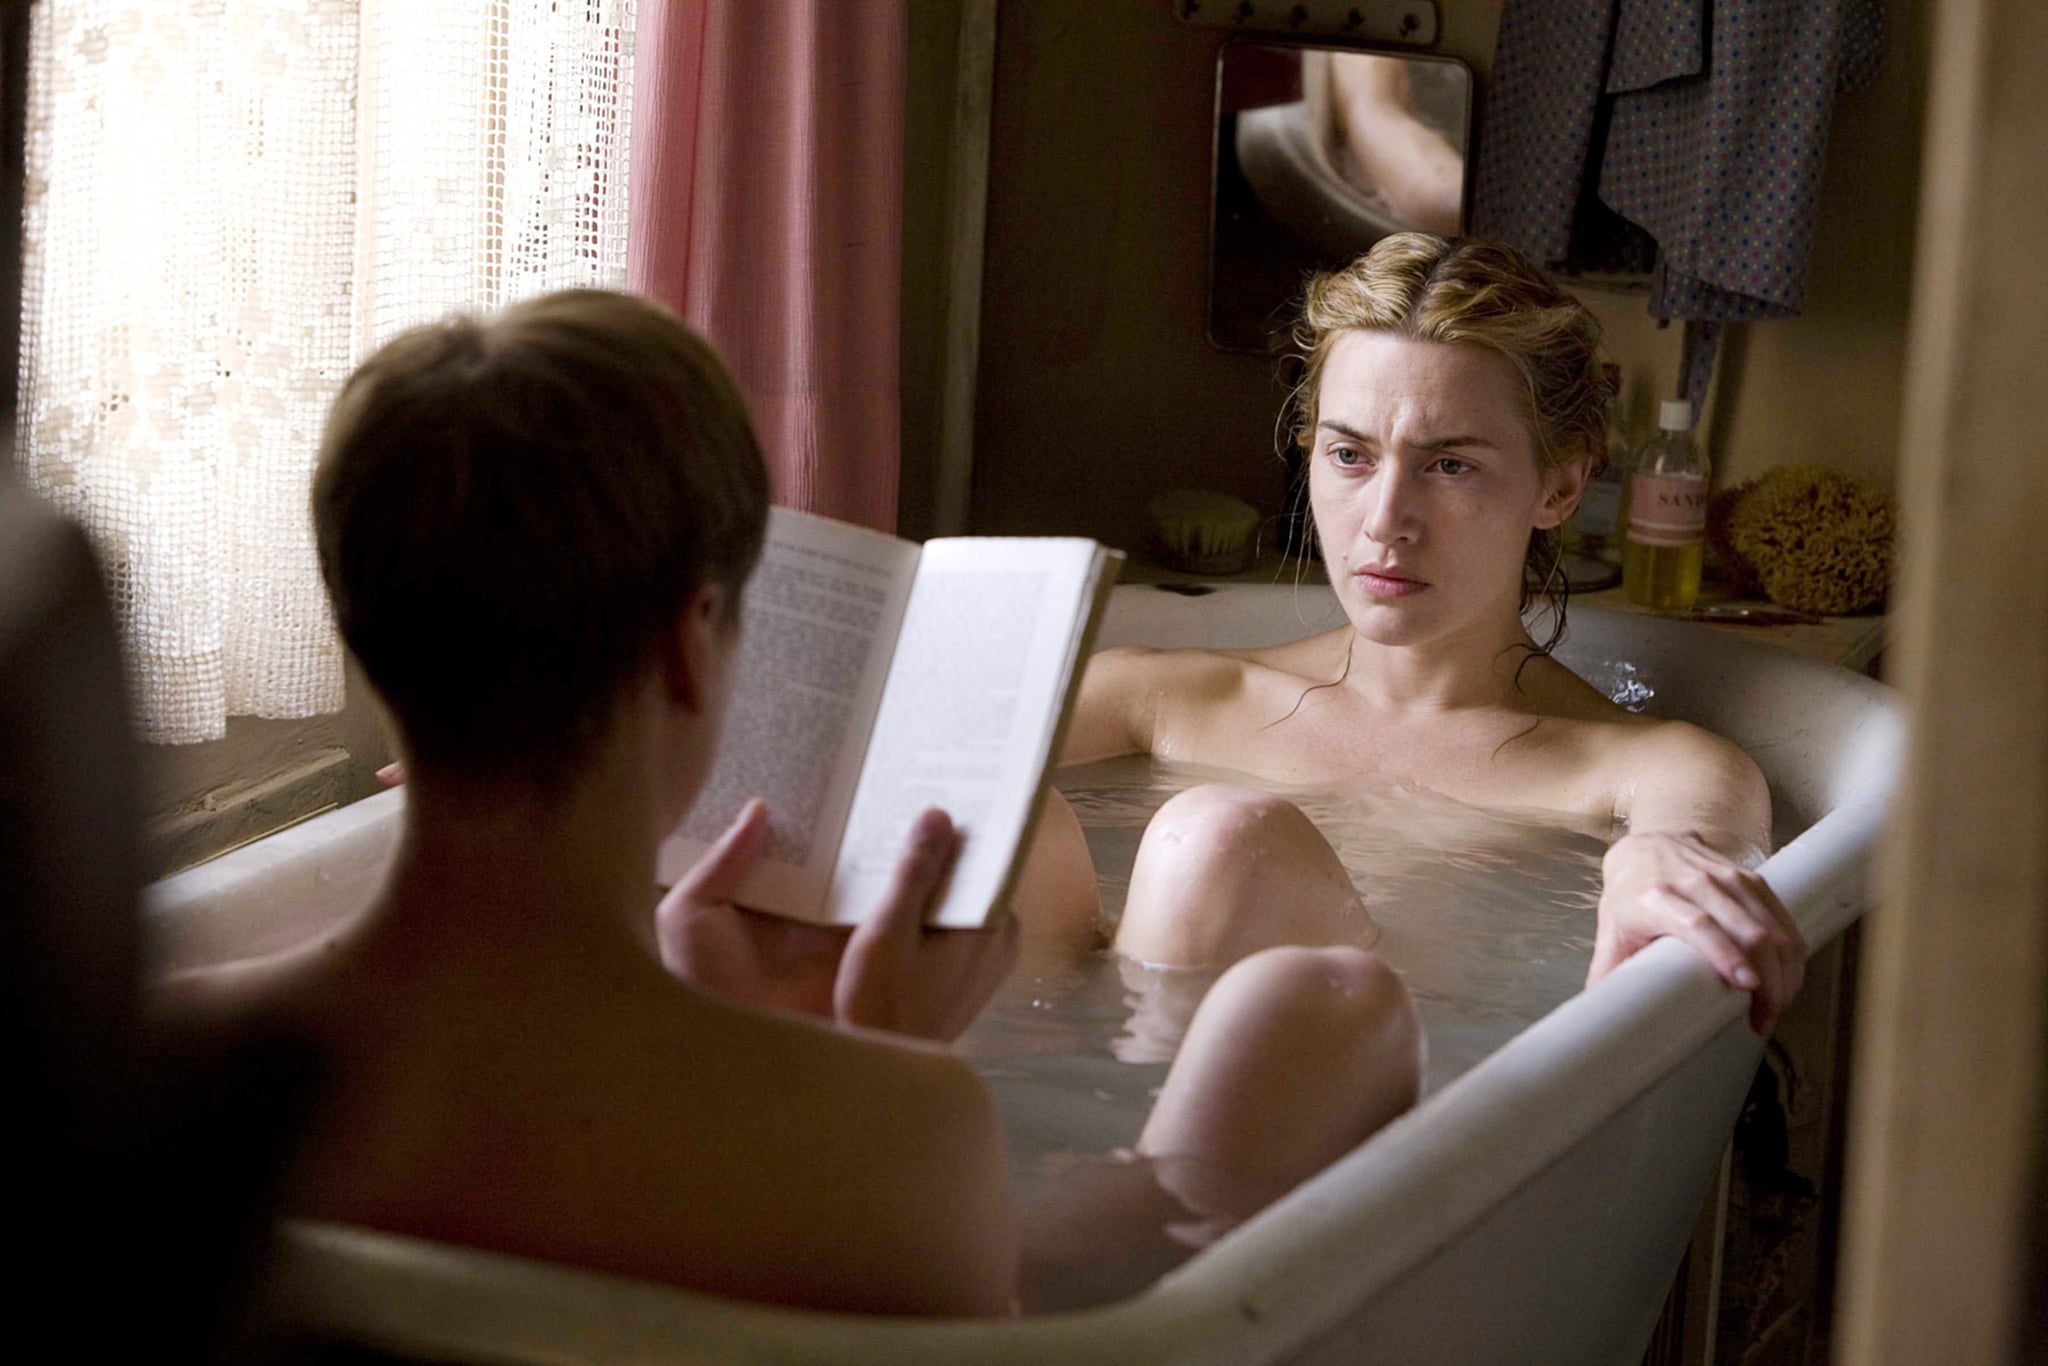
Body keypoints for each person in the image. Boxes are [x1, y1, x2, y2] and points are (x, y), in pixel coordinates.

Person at [150, 289, 1422, 1318]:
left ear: (359, 632)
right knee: (1322, 1009)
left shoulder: (152, 1056)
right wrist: (877, 1064)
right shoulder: (887, 1133)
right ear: (688, 648)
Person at [1041, 233, 1805, 1036]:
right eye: (1350, 454)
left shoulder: (1648, 772)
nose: (1385, 522)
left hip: (1412, 1094)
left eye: (1449, 466)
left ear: (1560, 485)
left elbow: (1696, 835)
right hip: (1058, 1059)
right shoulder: (1149, 701)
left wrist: (1657, 858)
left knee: (1217, 841)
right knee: (1019, 826)